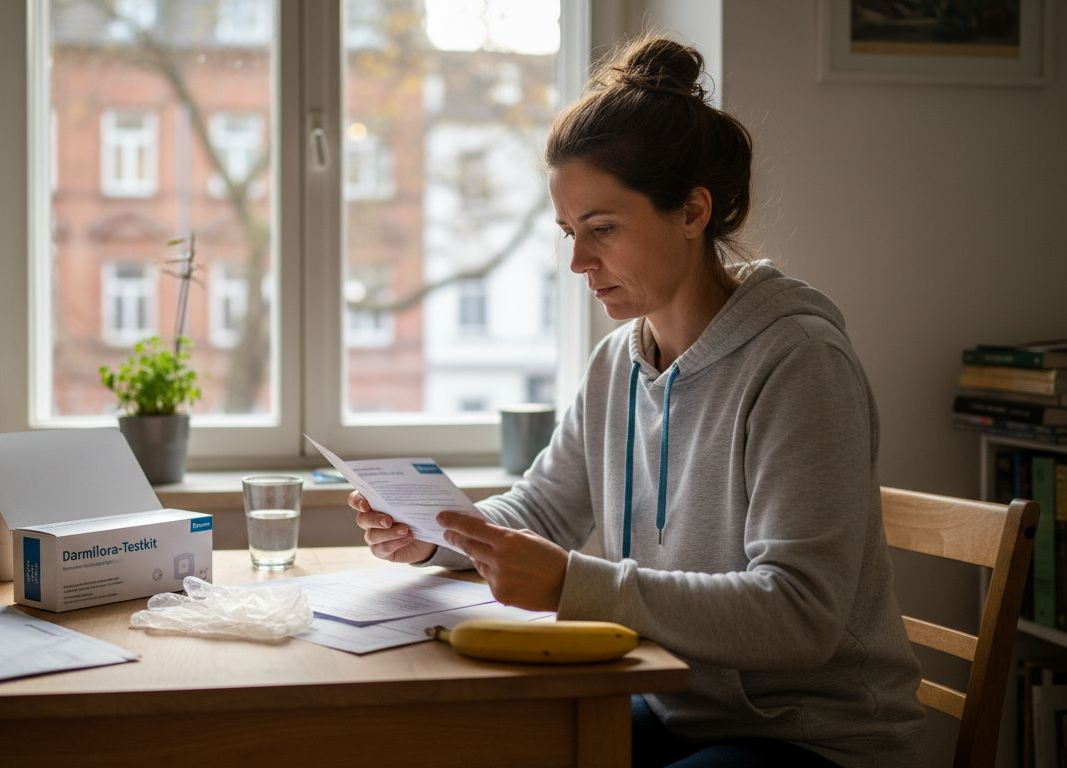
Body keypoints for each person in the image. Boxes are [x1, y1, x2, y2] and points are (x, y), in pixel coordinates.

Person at [348, 34, 925, 768]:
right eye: (568, 233)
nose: (579, 263)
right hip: (678, 709)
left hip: (813, 739)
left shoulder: (799, 362)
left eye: (602, 230)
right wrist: (435, 532)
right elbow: (540, 512)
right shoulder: (617, 362)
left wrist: (572, 582)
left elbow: (800, 614)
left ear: (692, 212)